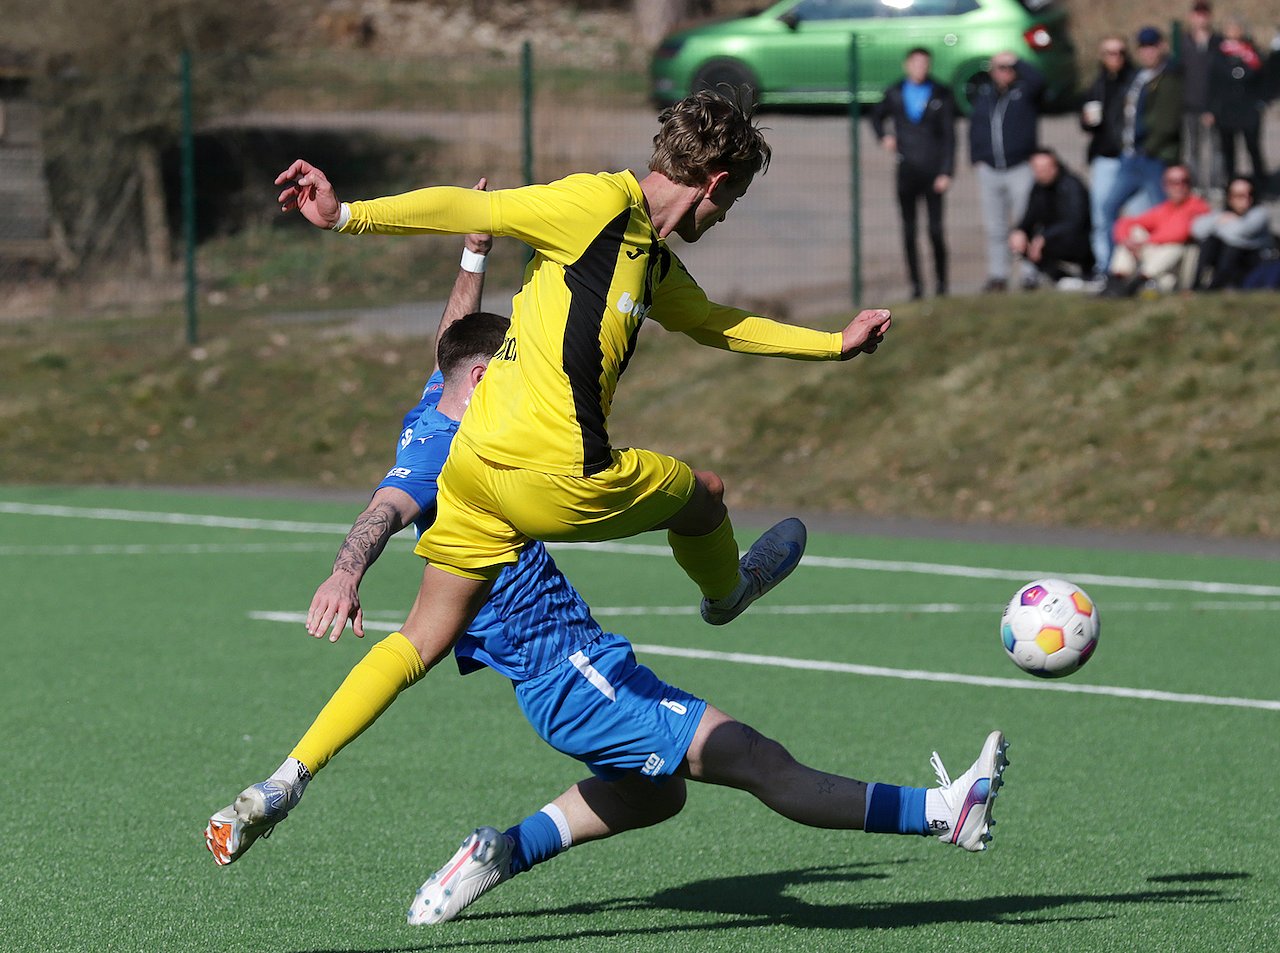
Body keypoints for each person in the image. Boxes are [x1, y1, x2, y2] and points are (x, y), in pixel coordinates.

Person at [206, 230, 1010, 927]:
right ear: (486, 382)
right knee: (756, 759)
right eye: (516, 370)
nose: (529, 381)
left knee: (655, 795)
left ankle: (502, 850)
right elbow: (386, 505)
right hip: (573, 673)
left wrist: (473, 254)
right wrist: (346, 570)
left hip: (571, 668)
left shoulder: (438, 407)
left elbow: (454, 342)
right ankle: (943, 811)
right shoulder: (443, 452)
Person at [228, 90, 895, 872]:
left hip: (476, 473)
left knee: (419, 638)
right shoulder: (595, 204)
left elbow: (716, 322)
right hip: (559, 477)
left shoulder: (649, 258)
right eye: (734, 199)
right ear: (714, 180)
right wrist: (347, 215)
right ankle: (727, 595)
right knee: (705, 493)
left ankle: (286, 778)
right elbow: (469, 206)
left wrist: (831, 343)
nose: (727, 215)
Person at [869, 47, 956, 300]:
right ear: (907, 65)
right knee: (909, 231)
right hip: (907, 171)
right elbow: (875, 116)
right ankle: (916, 286)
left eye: (925, 64)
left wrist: (946, 171)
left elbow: (950, 137)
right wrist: (884, 136)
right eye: (916, 63)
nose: (920, 68)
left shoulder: (941, 92)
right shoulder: (895, 91)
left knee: (935, 230)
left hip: (933, 171)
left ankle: (941, 284)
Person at [1099, 27, 1185, 266]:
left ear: (1162, 47)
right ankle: (1112, 266)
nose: (1148, 52)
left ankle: (1158, 267)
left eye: (1152, 46)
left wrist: (1148, 148)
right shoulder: (1137, 77)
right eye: (1143, 47)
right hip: (1129, 157)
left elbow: (1167, 123)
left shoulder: (1169, 78)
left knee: (1162, 213)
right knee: (1109, 208)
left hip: (1153, 158)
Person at [968, 51, 1045, 292]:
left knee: (1026, 223)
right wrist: (977, 158)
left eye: (1008, 68)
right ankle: (998, 274)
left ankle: (1029, 273)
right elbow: (975, 127)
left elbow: (1039, 81)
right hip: (990, 169)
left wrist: (1017, 61)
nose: (1004, 72)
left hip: (1019, 166)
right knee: (995, 227)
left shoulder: (1024, 92)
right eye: (999, 68)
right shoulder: (984, 96)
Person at [1100, 164, 1210, 296]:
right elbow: (1126, 222)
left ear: (1190, 184)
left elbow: (1180, 233)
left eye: (1184, 181)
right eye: (1173, 182)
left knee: (1175, 247)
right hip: (1158, 264)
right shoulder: (1165, 208)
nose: (1179, 186)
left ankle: (1138, 283)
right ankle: (1116, 281)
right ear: (1165, 186)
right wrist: (1126, 240)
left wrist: (1145, 243)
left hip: (1180, 268)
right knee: (1135, 232)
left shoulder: (1198, 206)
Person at [1080, 36, 1136, 281]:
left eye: (1120, 52)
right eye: (1110, 53)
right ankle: (1104, 265)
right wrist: (1086, 120)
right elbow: (1087, 121)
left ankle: (1129, 266)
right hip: (1104, 156)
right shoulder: (1097, 85)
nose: (1115, 58)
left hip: (1130, 157)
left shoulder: (1135, 82)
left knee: (1133, 214)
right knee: (1102, 215)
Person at [1008, 149, 1094, 287]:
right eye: (1036, 168)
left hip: (1081, 240)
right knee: (1021, 241)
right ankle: (1062, 278)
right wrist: (1019, 231)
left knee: (1043, 243)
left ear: (1054, 167)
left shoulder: (1071, 185)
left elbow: (1075, 221)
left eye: (1044, 168)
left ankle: (1088, 273)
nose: (1040, 172)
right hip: (1052, 238)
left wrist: (1044, 237)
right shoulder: (1038, 188)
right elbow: (1029, 217)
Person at [1205, 16, 1269, 188]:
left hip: (1248, 109)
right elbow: (1213, 83)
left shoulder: (1252, 53)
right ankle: (1231, 184)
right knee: (1228, 151)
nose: (1233, 32)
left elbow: (1261, 78)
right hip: (1226, 110)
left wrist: (1261, 101)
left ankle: (1260, 183)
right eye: (1230, 28)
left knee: (1253, 148)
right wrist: (1210, 109)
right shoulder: (1218, 54)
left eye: (1237, 28)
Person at [1190, 176, 1275, 289]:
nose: (1246, 199)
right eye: (1240, 195)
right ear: (1230, 197)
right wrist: (1218, 221)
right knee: (1210, 242)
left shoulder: (1260, 213)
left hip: (1253, 261)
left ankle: (1215, 287)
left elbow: (1240, 232)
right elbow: (1197, 229)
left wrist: (1221, 225)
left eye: (1250, 194)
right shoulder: (1222, 214)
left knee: (1232, 246)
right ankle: (1196, 284)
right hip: (1225, 258)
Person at [1180, 1, 1223, 192]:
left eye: (1204, 14)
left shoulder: (1218, 42)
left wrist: (1214, 107)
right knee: (1192, 149)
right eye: (1197, 14)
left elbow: (1222, 77)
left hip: (1213, 105)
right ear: (1191, 16)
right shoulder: (1183, 42)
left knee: (1215, 148)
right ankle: (1195, 185)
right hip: (1190, 104)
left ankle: (1215, 184)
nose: (1201, 18)